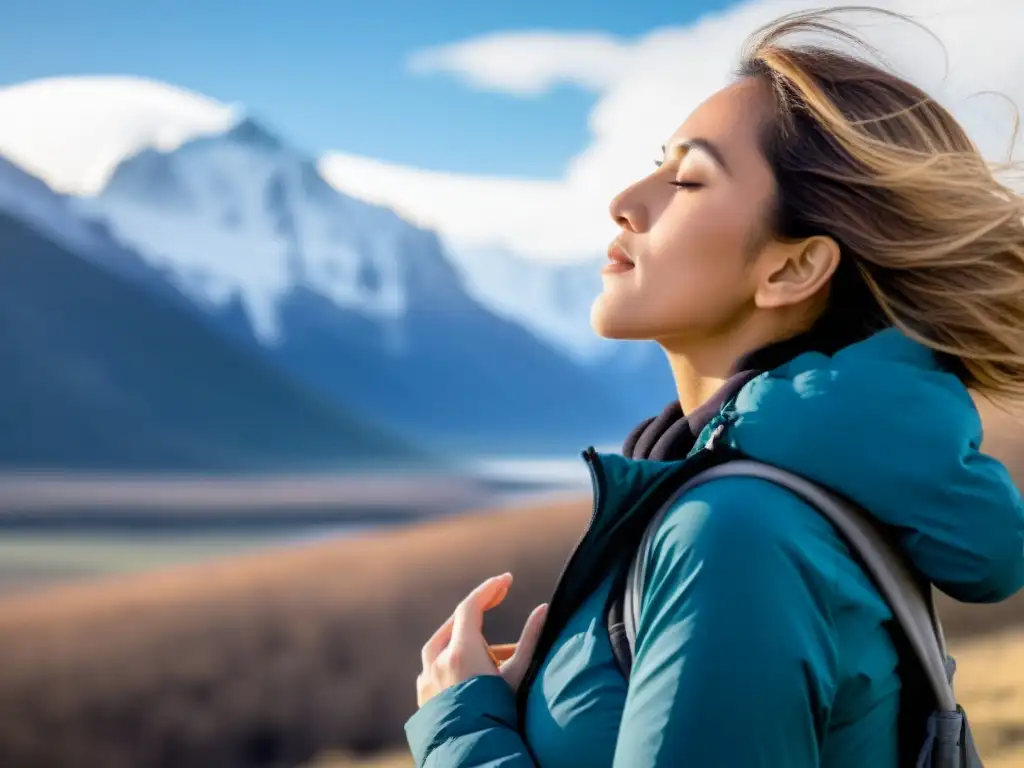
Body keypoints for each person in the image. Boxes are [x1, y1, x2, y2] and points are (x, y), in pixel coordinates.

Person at [405, 8, 1024, 767]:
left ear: (792, 269)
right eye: (655, 163)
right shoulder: (742, 508)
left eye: (688, 178)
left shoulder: (735, 533)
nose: (626, 199)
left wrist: (460, 731)